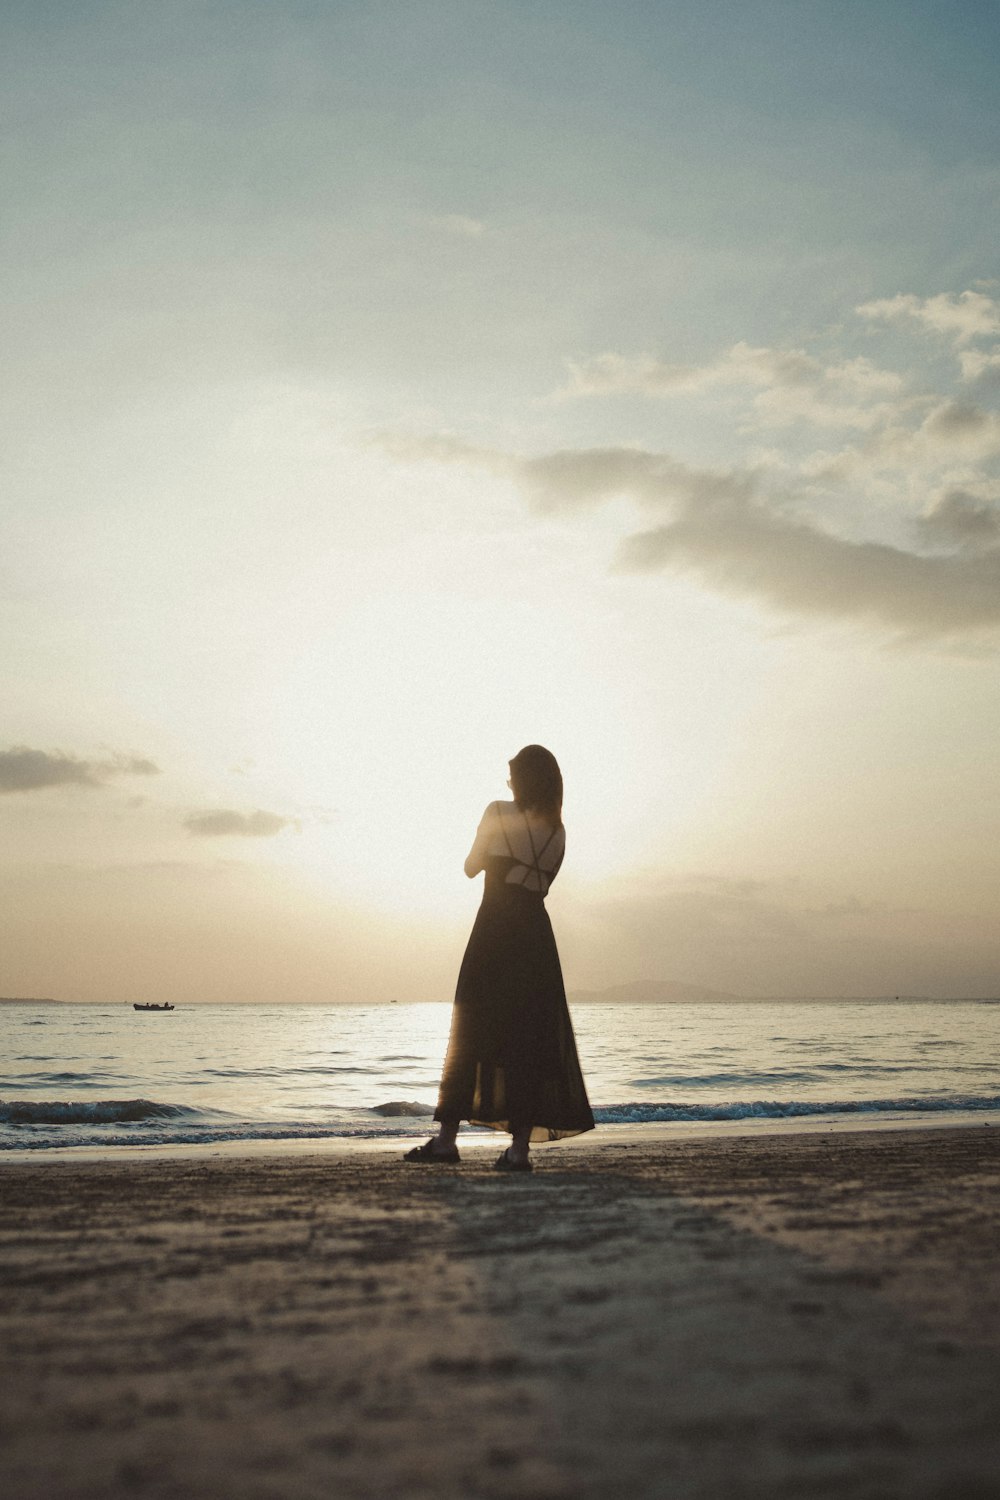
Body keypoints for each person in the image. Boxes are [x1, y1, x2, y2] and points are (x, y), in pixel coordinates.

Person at [405, 744, 594, 1172]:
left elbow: (471, 866)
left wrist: (494, 852)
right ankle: (518, 1151)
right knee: (529, 1042)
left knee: (469, 1030)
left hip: (494, 934)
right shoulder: (559, 833)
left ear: (522, 781)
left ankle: (446, 1141)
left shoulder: (496, 812)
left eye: (512, 778)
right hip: (535, 942)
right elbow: (541, 887)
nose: (507, 786)